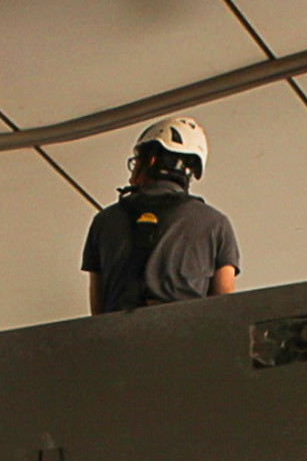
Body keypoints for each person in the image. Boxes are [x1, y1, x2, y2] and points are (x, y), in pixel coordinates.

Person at [81, 116, 240, 315]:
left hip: (118, 340)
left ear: (151, 160)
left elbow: (97, 310)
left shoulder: (104, 221)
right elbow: (224, 308)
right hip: (184, 338)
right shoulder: (216, 224)